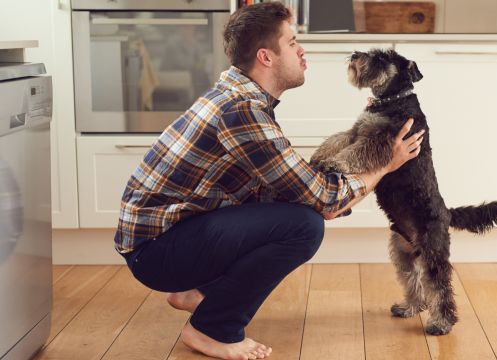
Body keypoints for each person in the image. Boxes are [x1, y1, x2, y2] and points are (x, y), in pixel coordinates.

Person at [114, 2, 424, 360]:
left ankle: (199, 293)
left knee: (296, 207)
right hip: (156, 254)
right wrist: (386, 163)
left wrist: (326, 197)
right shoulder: (242, 111)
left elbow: (294, 186)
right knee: (304, 226)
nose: (301, 49)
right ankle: (211, 328)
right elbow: (323, 200)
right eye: (292, 42)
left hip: (167, 238)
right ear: (266, 57)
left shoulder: (243, 98)